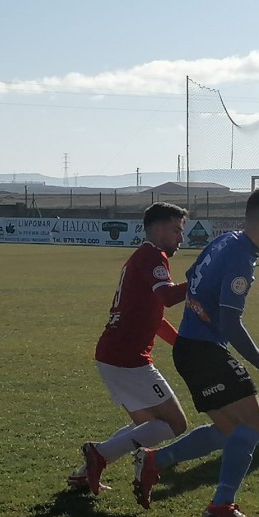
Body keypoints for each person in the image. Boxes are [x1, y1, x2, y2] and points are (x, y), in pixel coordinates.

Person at [132, 188, 259, 517]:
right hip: (203, 351)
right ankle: (222, 506)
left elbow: (193, 276)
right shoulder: (241, 259)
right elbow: (231, 323)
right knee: (254, 423)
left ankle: (154, 461)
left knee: (228, 430)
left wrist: (199, 309)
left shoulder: (226, 241)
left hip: (193, 347)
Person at [66, 203, 191, 494]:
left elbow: (157, 315)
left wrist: (180, 344)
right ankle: (99, 454)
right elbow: (169, 297)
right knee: (175, 423)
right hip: (127, 357)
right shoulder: (152, 256)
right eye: (176, 230)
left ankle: (86, 472)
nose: (180, 239)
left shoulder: (145, 256)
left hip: (114, 354)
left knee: (147, 425)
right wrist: (201, 278)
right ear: (158, 229)